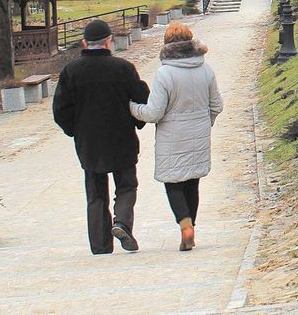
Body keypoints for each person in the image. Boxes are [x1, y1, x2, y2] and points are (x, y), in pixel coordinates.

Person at [53, 19, 150, 255]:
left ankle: (100, 245)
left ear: (85, 42)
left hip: (89, 141)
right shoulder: (123, 68)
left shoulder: (71, 71)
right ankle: (122, 223)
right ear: (109, 40)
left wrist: (74, 129)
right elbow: (141, 99)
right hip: (121, 137)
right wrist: (138, 122)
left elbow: (60, 109)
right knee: (126, 185)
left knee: (95, 193)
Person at [130, 23, 223, 252]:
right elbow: (217, 105)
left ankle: (185, 224)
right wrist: (205, 122)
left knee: (173, 182)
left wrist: (132, 107)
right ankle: (191, 227)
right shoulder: (206, 69)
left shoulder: (165, 73)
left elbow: (153, 113)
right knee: (193, 182)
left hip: (172, 137)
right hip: (199, 134)